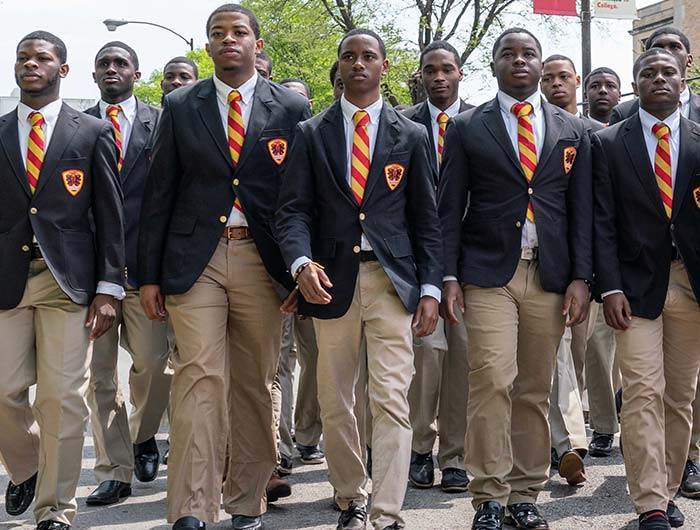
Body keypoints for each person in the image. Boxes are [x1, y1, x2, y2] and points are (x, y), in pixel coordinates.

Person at [138, 4, 311, 529]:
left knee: (255, 384)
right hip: (197, 260)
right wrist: (149, 275)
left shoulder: (291, 108)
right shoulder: (181, 104)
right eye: (218, 34)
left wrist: (300, 267)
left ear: (258, 44)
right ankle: (190, 507)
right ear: (207, 47)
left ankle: (245, 501)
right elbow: (159, 193)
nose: (228, 39)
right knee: (198, 378)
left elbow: (304, 196)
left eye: (239, 32)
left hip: (264, 260)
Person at [276, 27, 442, 530]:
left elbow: (427, 220)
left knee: (392, 398)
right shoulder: (311, 133)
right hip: (331, 283)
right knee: (334, 398)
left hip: (393, 284)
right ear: (339, 67)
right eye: (349, 56)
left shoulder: (410, 135)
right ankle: (352, 494)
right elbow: (291, 213)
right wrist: (300, 263)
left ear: (384, 67)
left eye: (369, 56)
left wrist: (431, 288)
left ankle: (387, 512)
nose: (359, 63)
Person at [438, 28, 592, 530]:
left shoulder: (572, 128)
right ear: (495, 65)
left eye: (529, 54)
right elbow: (448, 207)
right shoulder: (466, 127)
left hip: (549, 276)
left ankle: (525, 492)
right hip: (487, 275)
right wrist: (448, 276)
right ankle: (488, 495)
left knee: (533, 388)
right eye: (510, 54)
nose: (520, 61)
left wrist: (581, 277)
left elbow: (581, 211)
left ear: (540, 63)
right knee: (491, 381)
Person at [0, 31, 125, 530]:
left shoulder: (90, 132)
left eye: (42, 58)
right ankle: (28, 466)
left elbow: (109, 216)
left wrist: (109, 287)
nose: (31, 64)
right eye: (23, 58)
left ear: (62, 70)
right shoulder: (0, 131)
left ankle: (55, 508)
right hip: (8, 281)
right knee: (4, 391)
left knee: (60, 397)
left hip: (68, 283)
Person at [593, 47, 700, 530]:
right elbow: (602, 222)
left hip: (692, 287)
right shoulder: (611, 143)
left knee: (680, 397)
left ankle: (670, 487)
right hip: (634, 289)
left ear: (684, 79)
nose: (658, 78)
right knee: (641, 393)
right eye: (647, 73)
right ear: (635, 84)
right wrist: (609, 285)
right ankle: (651, 503)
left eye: (667, 72)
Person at [83, 41, 169, 506]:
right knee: (100, 377)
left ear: (137, 72)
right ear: (93, 75)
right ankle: (114, 470)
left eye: (121, 63)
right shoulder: (76, 127)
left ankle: (143, 434)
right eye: (104, 64)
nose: (112, 69)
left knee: (156, 366)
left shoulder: (162, 122)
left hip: (145, 270)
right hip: (88, 275)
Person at [401, 40, 472, 493]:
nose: (439, 77)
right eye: (431, 70)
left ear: (461, 73)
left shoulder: (481, 123)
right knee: (425, 357)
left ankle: (456, 456)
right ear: (422, 75)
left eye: (447, 68)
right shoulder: (401, 124)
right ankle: (420, 448)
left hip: (472, 263)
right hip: (418, 262)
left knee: (464, 361)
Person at [539, 53, 592, 487]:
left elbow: (591, 212)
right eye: (548, 78)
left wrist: (588, 273)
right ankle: (568, 445)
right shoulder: (530, 130)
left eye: (563, 77)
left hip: (581, 269)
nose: (556, 84)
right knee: (557, 360)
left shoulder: (593, 135)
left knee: (573, 357)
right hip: (536, 269)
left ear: (577, 81)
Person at [610, 27, 699, 125]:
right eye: (658, 48)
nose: (667, 53)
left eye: (674, 47)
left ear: (689, 60)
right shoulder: (623, 113)